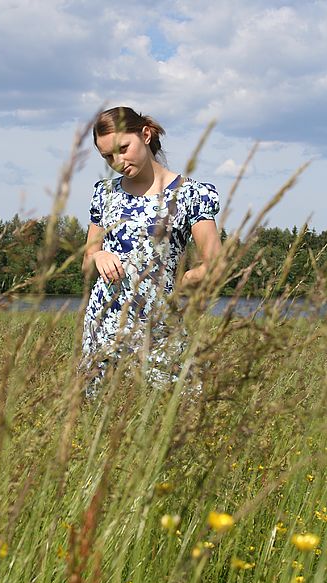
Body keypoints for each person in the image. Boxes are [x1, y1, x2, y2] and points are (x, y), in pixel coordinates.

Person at [81, 106, 222, 397]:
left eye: (123, 148)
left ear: (145, 135)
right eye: (108, 156)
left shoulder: (189, 194)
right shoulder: (104, 193)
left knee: (178, 408)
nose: (117, 161)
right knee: (99, 419)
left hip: (158, 325)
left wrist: (181, 283)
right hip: (103, 325)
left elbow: (216, 265)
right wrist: (98, 256)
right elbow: (86, 262)